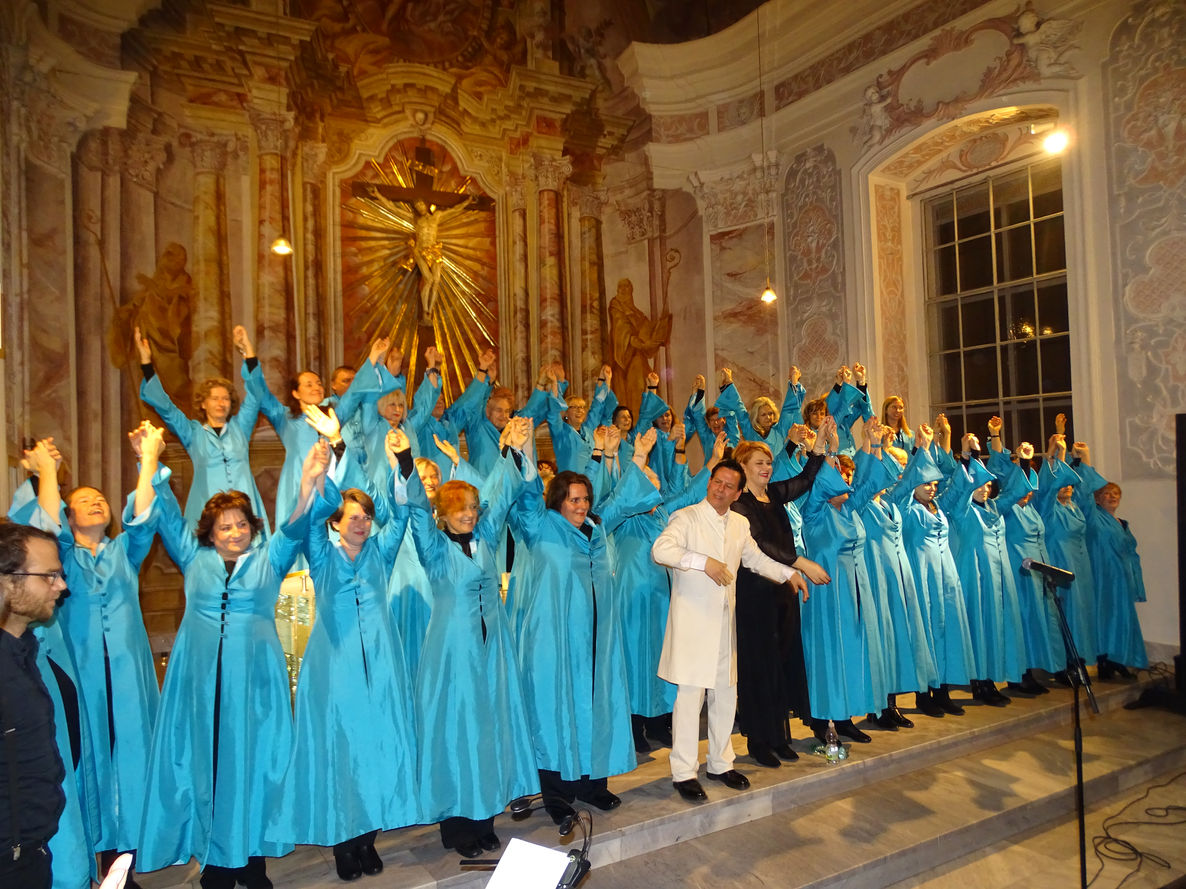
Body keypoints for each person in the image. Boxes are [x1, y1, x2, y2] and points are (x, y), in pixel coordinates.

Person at [133, 424, 326, 889]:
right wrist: (148, 460)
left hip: (255, 680)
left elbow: (296, 525)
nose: (235, 532)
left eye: (241, 524)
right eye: (225, 526)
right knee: (207, 762)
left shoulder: (269, 558)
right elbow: (159, 512)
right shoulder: (191, 556)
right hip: (199, 678)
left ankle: (251, 859)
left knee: (252, 764)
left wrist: (307, 483)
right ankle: (216, 861)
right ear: (210, 532)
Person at [271, 434, 417, 881]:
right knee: (343, 753)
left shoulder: (381, 552)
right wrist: (328, 463)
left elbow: (404, 513)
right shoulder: (321, 554)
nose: (362, 523)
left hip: (381, 667)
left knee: (376, 749)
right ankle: (344, 842)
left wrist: (404, 461)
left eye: (367, 516)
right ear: (336, 523)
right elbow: (310, 523)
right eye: (353, 517)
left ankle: (368, 837)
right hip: (335, 670)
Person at [22, 437, 161, 888]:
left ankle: (127, 859)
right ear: (69, 516)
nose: (96, 503)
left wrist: (148, 460)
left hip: (128, 676)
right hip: (83, 680)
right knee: (92, 761)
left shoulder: (125, 551)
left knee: (132, 758)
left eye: (101, 498)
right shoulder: (62, 555)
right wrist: (48, 473)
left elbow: (143, 516)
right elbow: (44, 526)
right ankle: (98, 861)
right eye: (84, 500)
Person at [404, 418, 538, 859]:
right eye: (460, 508)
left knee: (489, 729)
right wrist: (405, 460)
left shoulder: (485, 537)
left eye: (473, 508)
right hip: (452, 654)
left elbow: (501, 492)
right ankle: (457, 823)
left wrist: (512, 450)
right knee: (457, 731)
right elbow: (417, 512)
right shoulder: (434, 547)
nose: (469, 514)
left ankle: (484, 818)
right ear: (444, 512)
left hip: (492, 651)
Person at [508, 436, 658, 822]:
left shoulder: (597, 527)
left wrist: (640, 456)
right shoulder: (541, 527)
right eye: (573, 499)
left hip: (596, 640)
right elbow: (527, 495)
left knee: (596, 707)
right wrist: (523, 452)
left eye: (585, 499)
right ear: (557, 501)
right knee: (555, 712)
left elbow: (621, 499)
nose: (581, 506)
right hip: (555, 641)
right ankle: (557, 796)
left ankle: (593, 786)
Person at [652, 459, 807, 803]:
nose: (720, 490)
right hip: (693, 626)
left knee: (725, 695)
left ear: (738, 493)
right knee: (690, 700)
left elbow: (755, 558)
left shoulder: (739, 523)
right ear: (709, 482)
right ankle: (684, 772)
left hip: (724, 625)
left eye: (728, 486)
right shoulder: (686, 517)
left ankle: (720, 764)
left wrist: (788, 574)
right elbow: (661, 550)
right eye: (716, 482)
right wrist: (703, 562)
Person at [728, 427, 829, 767]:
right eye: (759, 463)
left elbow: (805, 480)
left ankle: (779, 736)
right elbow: (762, 545)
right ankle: (759, 741)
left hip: (782, 590)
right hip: (755, 593)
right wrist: (801, 563)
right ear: (742, 466)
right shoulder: (740, 504)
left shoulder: (772, 493)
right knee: (760, 667)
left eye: (769, 462)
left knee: (782, 663)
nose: (767, 468)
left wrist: (818, 447)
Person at [136, 324, 269, 531]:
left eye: (225, 398)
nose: (221, 403)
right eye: (215, 398)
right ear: (203, 404)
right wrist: (146, 363)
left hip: (244, 507)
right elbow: (167, 408)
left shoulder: (240, 427)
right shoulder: (193, 432)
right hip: (207, 507)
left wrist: (248, 351)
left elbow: (256, 394)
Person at [0, 520, 74, 889]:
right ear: (7, 581)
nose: (61, 586)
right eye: (49, 576)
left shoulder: (25, 649)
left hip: (30, 852)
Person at [1072, 448, 1148, 677]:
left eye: (1116, 493)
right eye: (1106, 493)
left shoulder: (1122, 524)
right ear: (1097, 498)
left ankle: (1119, 658)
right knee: (1105, 617)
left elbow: (1131, 554)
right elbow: (1083, 493)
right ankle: (1105, 659)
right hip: (1102, 577)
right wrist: (1085, 460)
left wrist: (1135, 582)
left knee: (1123, 619)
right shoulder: (1093, 518)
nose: (1112, 496)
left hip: (1122, 579)